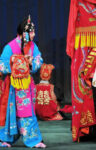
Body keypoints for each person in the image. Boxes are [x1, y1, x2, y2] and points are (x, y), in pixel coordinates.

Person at [0, 15, 46, 148]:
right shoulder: (10, 47)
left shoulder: (33, 46)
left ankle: (34, 140)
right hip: (12, 87)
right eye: (31, 32)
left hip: (27, 86)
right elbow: (1, 65)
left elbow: (39, 59)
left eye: (33, 31)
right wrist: (15, 61)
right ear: (22, 33)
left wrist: (31, 63)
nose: (33, 34)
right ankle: (5, 139)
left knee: (27, 112)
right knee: (10, 113)